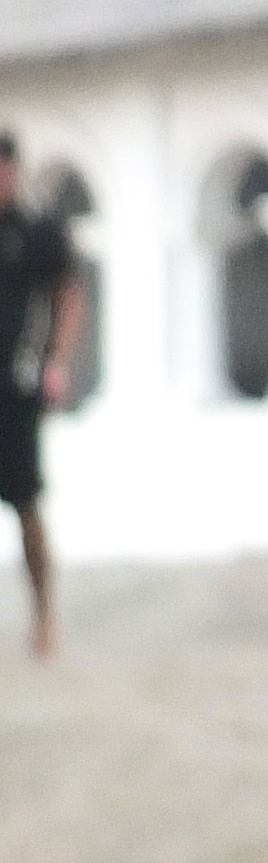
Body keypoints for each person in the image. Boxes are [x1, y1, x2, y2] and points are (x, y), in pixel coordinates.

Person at [0, 132, 90, 662]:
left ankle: (44, 615)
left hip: (16, 383)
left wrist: (57, 359)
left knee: (26, 502)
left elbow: (69, 291)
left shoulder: (36, 231)